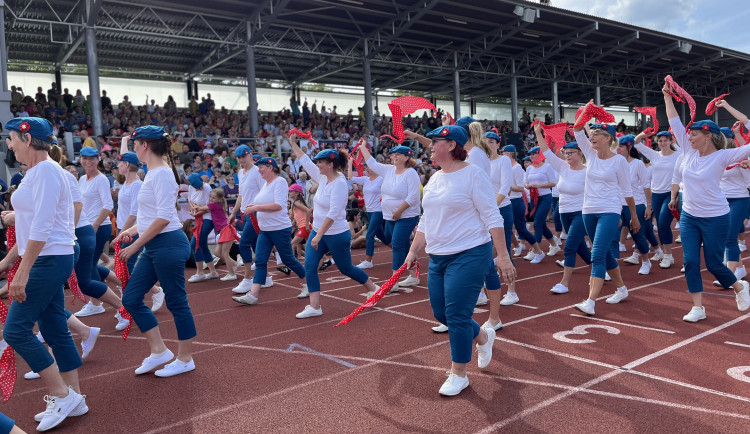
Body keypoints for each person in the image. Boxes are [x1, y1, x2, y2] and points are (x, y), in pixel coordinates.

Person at [405, 125, 515, 396]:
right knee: (441, 313)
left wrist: (502, 256)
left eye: (435, 142)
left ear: (451, 145)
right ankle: (483, 336)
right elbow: (426, 220)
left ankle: (459, 373)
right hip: (438, 255)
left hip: (470, 253)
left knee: (456, 315)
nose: (430, 146)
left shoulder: (473, 174)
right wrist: (413, 251)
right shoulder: (434, 178)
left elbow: (492, 216)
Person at [0, 117, 86, 431]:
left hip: (48, 259)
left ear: (27, 139)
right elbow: (30, 219)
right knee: (54, 328)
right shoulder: (38, 172)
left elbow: (42, 225)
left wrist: (21, 272)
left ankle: (61, 393)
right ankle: (75, 396)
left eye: (11, 139)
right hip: (46, 257)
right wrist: (11, 258)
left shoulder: (48, 172)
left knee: (16, 331)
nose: (9, 145)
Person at [115, 125, 196, 377]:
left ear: (144, 146)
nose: (133, 150)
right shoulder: (151, 173)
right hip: (155, 244)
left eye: (135, 145)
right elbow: (150, 217)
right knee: (131, 298)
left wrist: (136, 244)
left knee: (176, 301)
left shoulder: (160, 174)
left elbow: (163, 218)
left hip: (168, 244)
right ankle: (159, 351)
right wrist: (130, 232)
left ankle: (185, 358)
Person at [665, 94, 750, 322]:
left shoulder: (724, 156)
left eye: (694, 134)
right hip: (690, 216)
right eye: (689, 134)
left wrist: (744, 121)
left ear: (708, 136)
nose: (689, 137)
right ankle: (698, 307)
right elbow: (673, 121)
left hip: (715, 217)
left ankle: (739, 286)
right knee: (690, 261)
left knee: (713, 263)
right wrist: (667, 96)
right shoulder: (688, 151)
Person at [290, 133, 379, 318]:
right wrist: (293, 143)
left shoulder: (339, 184)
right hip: (319, 232)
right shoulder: (323, 178)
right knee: (310, 265)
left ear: (330, 164)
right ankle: (315, 306)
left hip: (336, 234)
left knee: (345, 268)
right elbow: (304, 160)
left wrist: (318, 234)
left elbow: (333, 212)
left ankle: (373, 289)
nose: (317, 165)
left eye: (320, 162)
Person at [572, 104, 639, 316]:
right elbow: (576, 129)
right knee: (604, 255)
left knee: (597, 254)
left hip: (610, 211)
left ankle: (591, 301)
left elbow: (627, 191)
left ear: (609, 138)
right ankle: (622, 289)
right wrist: (587, 110)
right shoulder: (589, 156)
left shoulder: (619, 161)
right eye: (591, 133)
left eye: (597, 134)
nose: (592, 137)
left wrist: (633, 217)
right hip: (588, 211)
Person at [232, 157, 308, 305]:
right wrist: (252, 206)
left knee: (288, 259)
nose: (259, 169)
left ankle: (308, 283)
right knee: (260, 261)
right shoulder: (266, 184)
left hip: (279, 229)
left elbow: (279, 205)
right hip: (265, 230)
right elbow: (262, 202)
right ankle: (253, 295)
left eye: (261, 167)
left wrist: (255, 208)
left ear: (270, 167)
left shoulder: (279, 182)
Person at [533, 122, 591, 294]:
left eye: (571, 152)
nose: (567, 155)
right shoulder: (562, 167)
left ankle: (564, 283)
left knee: (570, 245)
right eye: (565, 152)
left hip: (582, 213)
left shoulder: (588, 170)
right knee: (579, 246)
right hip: (565, 213)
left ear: (580, 154)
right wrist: (538, 133)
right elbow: (546, 152)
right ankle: (601, 268)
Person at [356, 144, 421, 290]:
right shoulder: (388, 170)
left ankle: (393, 281)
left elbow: (413, 197)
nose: (394, 157)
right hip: (390, 216)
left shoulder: (411, 173)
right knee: (403, 245)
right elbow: (372, 163)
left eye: (398, 154)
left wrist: (399, 210)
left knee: (397, 243)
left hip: (407, 216)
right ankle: (413, 274)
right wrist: (362, 147)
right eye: (392, 154)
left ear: (406, 157)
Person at [75, 146, 128, 323]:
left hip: (99, 227)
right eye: (84, 158)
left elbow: (108, 205)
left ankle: (101, 303)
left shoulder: (101, 179)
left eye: (91, 158)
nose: (87, 161)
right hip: (85, 228)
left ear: (98, 160)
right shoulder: (82, 179)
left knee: (88, 266)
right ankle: (122, 287)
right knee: (89, 266)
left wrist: (95, 224)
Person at [115, 152, 164, 312]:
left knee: (127, 268)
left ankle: (133, 304)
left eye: (120, 163)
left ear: (127, 166)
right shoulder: (127, 183)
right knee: (126, 268)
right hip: (126, 230)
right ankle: (151, 293)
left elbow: (134, 213)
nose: (118, 165)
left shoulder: (136, 185)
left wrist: (122, 232)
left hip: (133, 231)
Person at [634, 130, 681, 268]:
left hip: (670, 193)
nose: (662, 143)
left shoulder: (678, 156)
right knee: (659, 225)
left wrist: (676, 195)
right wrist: (644, 134)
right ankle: (666, 254)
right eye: (660, 141)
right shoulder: (655, 155)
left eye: (665, 140)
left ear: (671, 141)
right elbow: (636, 142)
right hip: (656, 194)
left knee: (663, 223)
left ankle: (668, 255)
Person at [228, 147, 268, 294]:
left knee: (244, 243)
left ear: (250, 155)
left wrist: (257, 208)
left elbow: (265, 191)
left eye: (244, 156)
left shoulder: (257, 171)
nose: (241, 159)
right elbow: (241, 195)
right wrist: (234, 213)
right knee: (256, 244)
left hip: (255, 213)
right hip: (245, 213)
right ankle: (266, 277)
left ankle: (247, 279)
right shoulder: (240, 172)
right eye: (238, 157)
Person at [616, 135, 657, 275]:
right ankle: (609, 267)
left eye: (621, 146)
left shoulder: (637, 164)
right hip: (616, 205)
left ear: (629, 147)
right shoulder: (613, 162)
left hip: (636, 204)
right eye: (616, 146)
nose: (617, 149)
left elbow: (646, 186)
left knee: (638, 235)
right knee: (612, 236)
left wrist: (649, 206)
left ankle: (646, 261)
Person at [716, 126, 750, 283]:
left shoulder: (740, 158)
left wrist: (747, 165)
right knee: (725, 236)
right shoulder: (717, 158)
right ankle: (740, 268)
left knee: (730, 236)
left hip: (739, 199)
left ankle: (730, 275)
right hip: (721, 200)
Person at [523, 146, 561, 263]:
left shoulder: (547, 167)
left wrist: (539, 186)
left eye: (534, 154)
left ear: (540, 155)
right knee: (541, 224)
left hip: (545, 197)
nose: (532, 156)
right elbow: (525, 182)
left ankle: (536, 250)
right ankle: (554, 245)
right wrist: (528, 186)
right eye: (531, 154)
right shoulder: (529, 169)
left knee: (538, 223)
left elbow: (553, 183)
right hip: (534, 198)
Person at [348, 157, 388, 269]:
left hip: (378, 211)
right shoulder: (365, 179)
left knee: (370, 234)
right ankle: (399, 249)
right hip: (369, 211)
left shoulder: (381, 179)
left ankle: (368, 260)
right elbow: (350, 178)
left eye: (369, 167)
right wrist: (350, 163)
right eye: (366, 167)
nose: (367, 169)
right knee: (382, 236)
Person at [186, 173, 219, 282]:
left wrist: (196, 211)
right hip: (199, 217)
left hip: (208, 218)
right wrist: (194, 209)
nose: (200, 188)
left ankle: (200, 272)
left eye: (200, 185)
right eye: (197, 187)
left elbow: (209, 207)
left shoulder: (207, 187)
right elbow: (190, 200)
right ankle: (213, 271)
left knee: (195, 243)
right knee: (202, 244)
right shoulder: (191, 187)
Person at [286, 183, 311, 262]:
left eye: (291, 191)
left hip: (304, 227)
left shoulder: (297, 202)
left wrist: (307, 225)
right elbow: (291, 217)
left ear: (297, 192)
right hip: (304, 227)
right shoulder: (295, 203)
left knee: (292, 244)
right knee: (314, 245)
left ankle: (292, 263)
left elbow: (308, 211)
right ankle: (326, 260)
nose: (289, 193)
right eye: (289, 191)